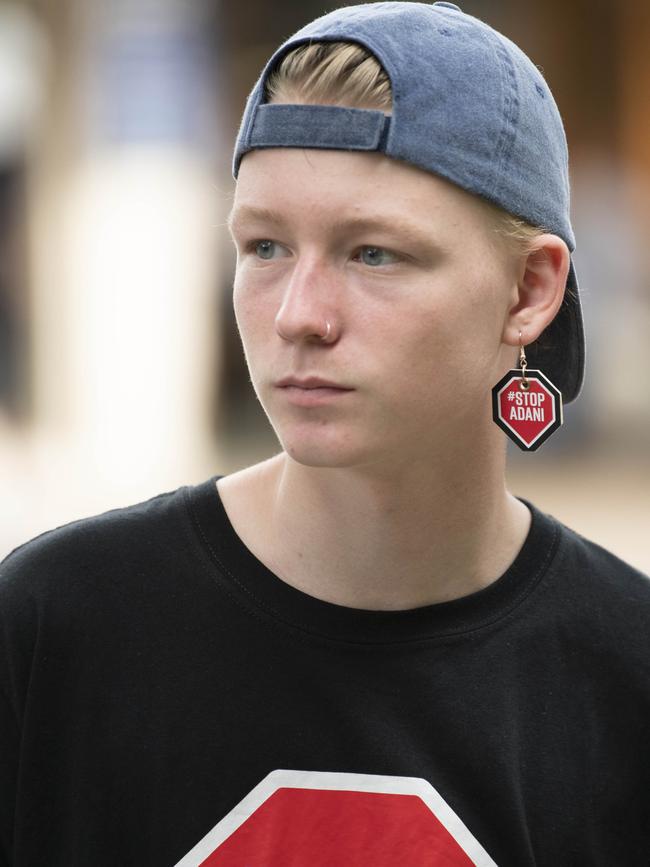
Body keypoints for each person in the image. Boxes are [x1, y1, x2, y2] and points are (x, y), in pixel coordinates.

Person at [1, 3, 649, 865]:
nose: (300, 315)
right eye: (264, 247)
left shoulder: (624, 670)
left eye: (372, 253)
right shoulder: (59, 626)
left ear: (530, 291)